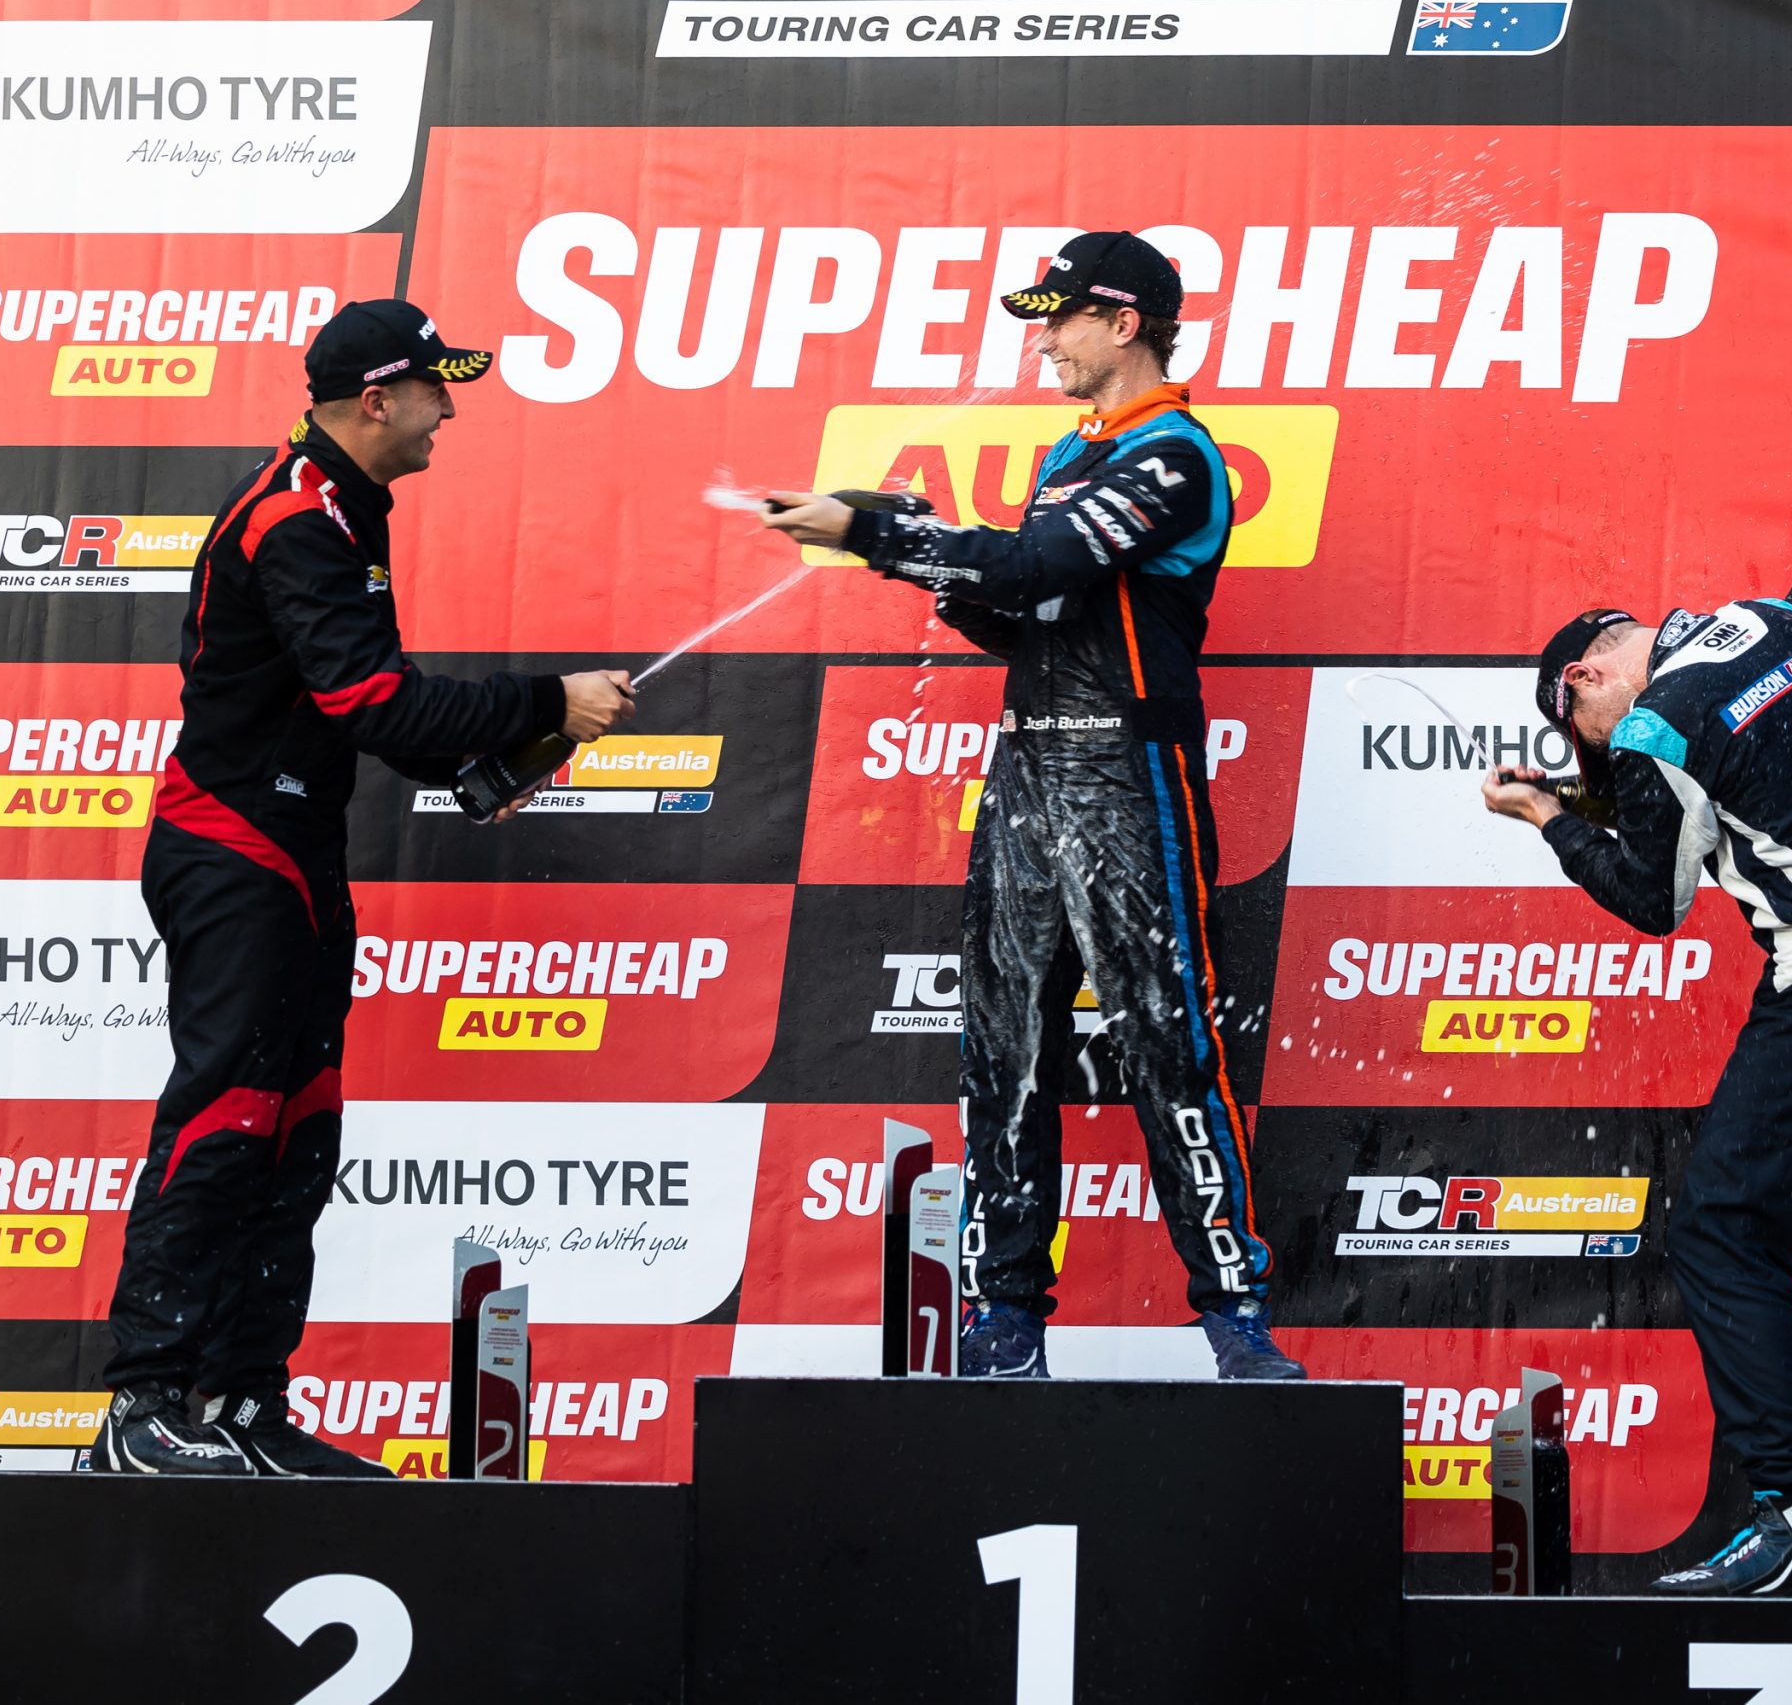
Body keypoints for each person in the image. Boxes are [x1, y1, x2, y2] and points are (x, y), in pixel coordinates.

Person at [93, 300, 634, 1476]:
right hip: (236, 850)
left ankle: (239, 1409)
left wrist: (486, 763)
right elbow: (370, 701)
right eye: (439, 387)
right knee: (227, 1115)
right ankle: (142, 1414)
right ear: (376, 399)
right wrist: (548, 700)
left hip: (290, 845)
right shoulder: (297, 517)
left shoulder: (345, 509)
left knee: (297, 1130)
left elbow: (361, 706)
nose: (453, 407)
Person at [763, 232, 1299, 1380]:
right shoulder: (1070, 453)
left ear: (1125, 324)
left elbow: (1031, 568)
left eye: (1058, 316)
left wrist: (882, 529)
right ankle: (1004, 1313)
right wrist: (904, 554)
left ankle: (1236, 1319)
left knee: (1167, 1044)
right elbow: (1014, 614)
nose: (1040, 336)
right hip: (1024, 775)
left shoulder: (1173, 455)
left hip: (1127, 775)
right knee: (1001, 1053)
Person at [1482, 602, 1792, 1597]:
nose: (1605, 756)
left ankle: (1789, 1512)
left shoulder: (1655, 724)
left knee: (1720, 1233)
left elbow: (1653, 902)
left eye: (1589, 743)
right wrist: (1586, 792)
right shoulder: (1767, 619)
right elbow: (1740, 772)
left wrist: (1549, 820)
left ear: (1579, 683)